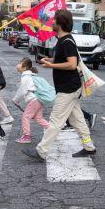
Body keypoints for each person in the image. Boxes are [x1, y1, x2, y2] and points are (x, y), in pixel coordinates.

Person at [26, 9, 96, 161]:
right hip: (68, 87)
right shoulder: (62, 40)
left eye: (54, 20)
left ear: (60, 23)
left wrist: (51, 66)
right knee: (77, 119)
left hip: (68, 88)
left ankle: (41, 151)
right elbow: (63, 60)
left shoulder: (67, 42)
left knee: (56, 120)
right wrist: (49, 61)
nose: (52, 22)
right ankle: (89, 147)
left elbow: (71, 64)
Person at [12, 57, 50, 144]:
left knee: (26, 117)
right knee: (38, 118)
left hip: (33, 100)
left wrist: (15, 99)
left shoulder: (25, 77)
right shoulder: (31, 75)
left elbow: (22, 90)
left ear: (24, 67)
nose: (18, 64)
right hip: (39, 99)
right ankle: (52, 130)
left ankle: (26, 136)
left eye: (20, 63)